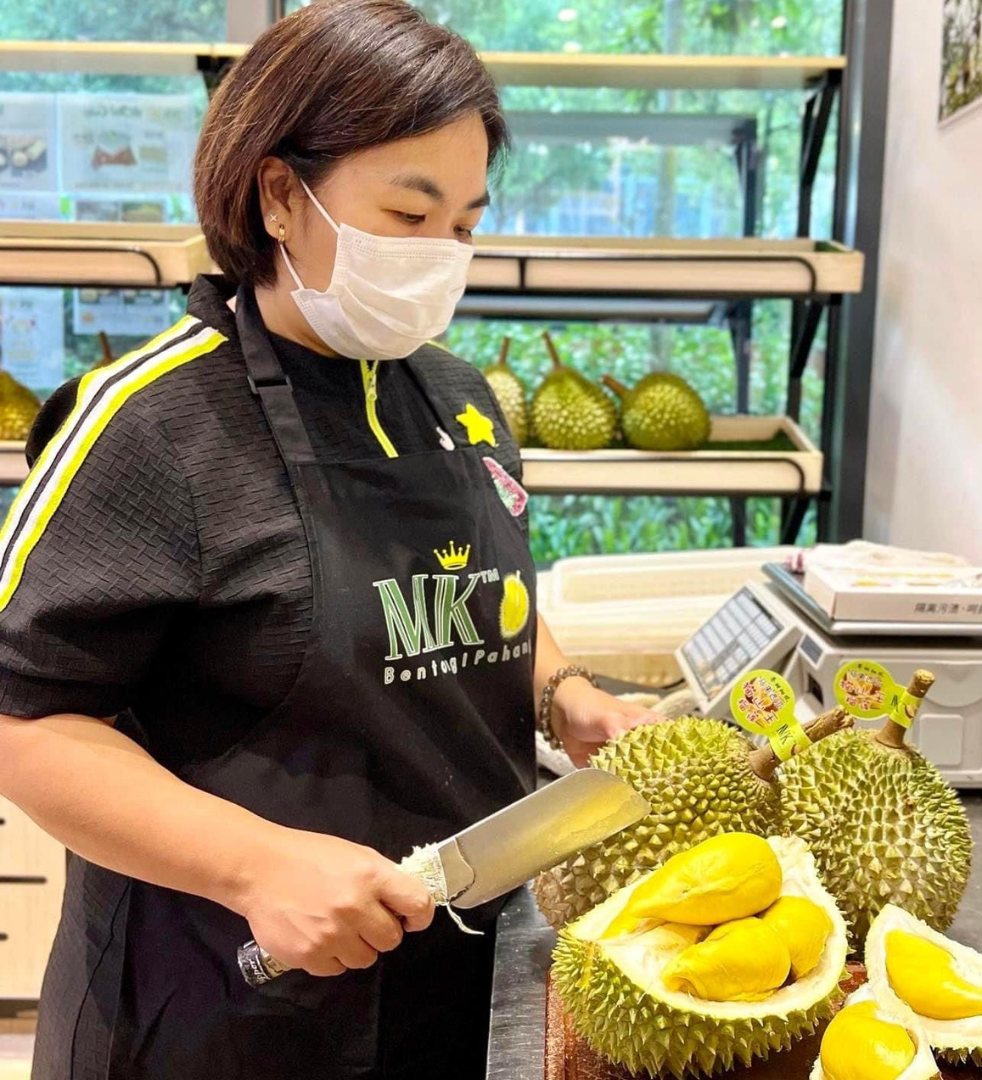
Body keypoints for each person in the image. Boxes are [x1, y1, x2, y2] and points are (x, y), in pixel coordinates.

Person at [0, 3, 660, 1077]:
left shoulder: (458, 397)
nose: (443, 255)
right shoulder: (150, 422)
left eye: (465, 224)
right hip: (225, 1003)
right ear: (277, 194)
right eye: (409, 214)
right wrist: (257, 867)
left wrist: (563, 695)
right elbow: (24, 723)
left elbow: (476, 598)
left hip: (453, 976)